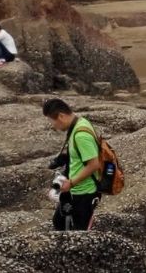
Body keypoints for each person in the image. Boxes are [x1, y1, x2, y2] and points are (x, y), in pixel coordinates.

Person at [43, 98, 101, 231]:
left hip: (84, 193)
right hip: (74, 190)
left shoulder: (81, 134)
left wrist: (71, 183)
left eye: (52, 121)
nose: (53, 126)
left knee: (80, 232)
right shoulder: (79, 123)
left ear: (61, 116)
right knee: (59, 222)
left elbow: (94, 164)